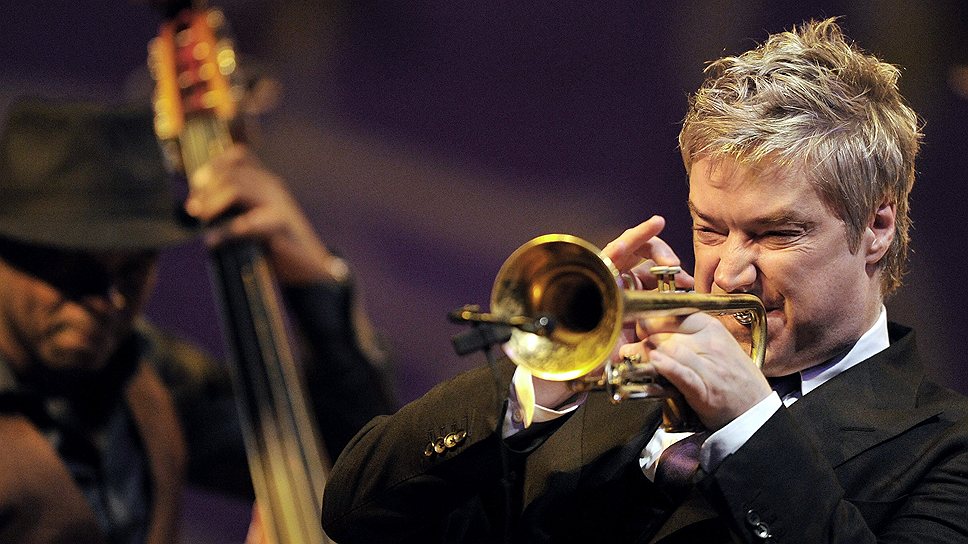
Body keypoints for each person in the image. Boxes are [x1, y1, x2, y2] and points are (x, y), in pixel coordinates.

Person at [321, 18, 968, 543]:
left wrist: (749, 424)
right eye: (710, 229)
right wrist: (538, 382)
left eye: (775, 234)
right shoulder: (608, 403)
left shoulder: (944, 449)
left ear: (877, 226)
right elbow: (354, 513)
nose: (729, 271)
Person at [0, 98, 396, 543]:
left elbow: (348, 469)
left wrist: (315, 280)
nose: (110, 300)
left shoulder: (147, 372)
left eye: (132, 270)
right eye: (75, 270)